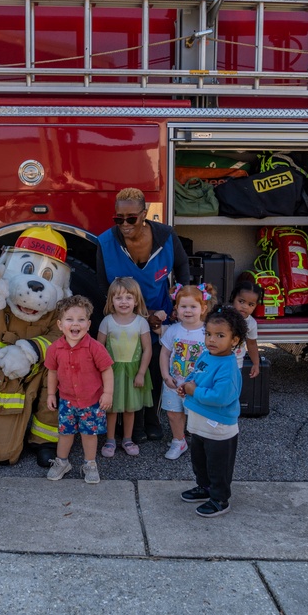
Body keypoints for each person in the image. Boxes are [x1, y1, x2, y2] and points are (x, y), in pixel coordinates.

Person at [96, 187, 190, 443]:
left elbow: (182, 268)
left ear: (145, 214)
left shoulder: (166, 236)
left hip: (159, 316)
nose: (124, 224)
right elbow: (103, 285)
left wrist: (175, 307)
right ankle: (129, 426)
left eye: (131, 218)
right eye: (119, 219)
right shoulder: (105, 242)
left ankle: (151, 418)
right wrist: (132, 314)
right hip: (126, 317)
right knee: (127, 369)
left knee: (157, 365)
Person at [178, 304, 247, 518]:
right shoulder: (207, 356)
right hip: (200, 423)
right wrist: (186, 385)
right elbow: (196, 375)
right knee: (200, 460)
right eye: (208, 334)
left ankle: (220, 498)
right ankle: (204, 488)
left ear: (234, 340)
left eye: (220, 335)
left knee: (218, 465)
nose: (211, 340)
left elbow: (221, 397)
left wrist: (194, 391)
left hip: (219, 428)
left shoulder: (228, 367)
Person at [44, 295, 114, 484]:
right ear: (60, 325)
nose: (75, 324)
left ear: (89, 324)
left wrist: (108, 393)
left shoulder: (95, 348)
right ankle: (62, 462)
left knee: (88, 435)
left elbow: (107, 370)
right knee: (64, 433)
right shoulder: (54, 349)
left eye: (81, 320)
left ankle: (90, 464)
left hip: (91, 401)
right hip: (66, 400)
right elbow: (52, 372)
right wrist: (51, 394)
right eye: (70, 320)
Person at [96, 277, 153, 458]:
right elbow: (99, 348)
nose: (124, 302)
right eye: (119, 297)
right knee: (111, 407)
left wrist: (142, 373)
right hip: (111, 372)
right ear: (111, 300)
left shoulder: (141, 322)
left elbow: (147, 349)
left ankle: (127, 439)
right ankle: (110, 439)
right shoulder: (107, 321)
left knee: (130, 408)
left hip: (133, 372)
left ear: (136, 300)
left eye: (129, 297)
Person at [159, 284, 212, 461]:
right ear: (176, 308)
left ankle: (200, 443)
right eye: (183, 306)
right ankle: (178, 440)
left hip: (197, 385)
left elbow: (213, 359)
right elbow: (165, 353)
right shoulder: (173, 330)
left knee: (196, 414)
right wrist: (166, 376)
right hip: (174, 382)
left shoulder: (208, 333)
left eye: (193, 307)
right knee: (173, 413)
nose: (187, 311)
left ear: (203, 308)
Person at [229, 282, 262, 376]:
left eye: (251, 304)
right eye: (241, 301)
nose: (245, 307)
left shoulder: (251, 323)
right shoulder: (222, 315)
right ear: (233, 298)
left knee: (232, 389)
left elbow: (251, 344)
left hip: (236, 364)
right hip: (215, 361)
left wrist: (256, 364)